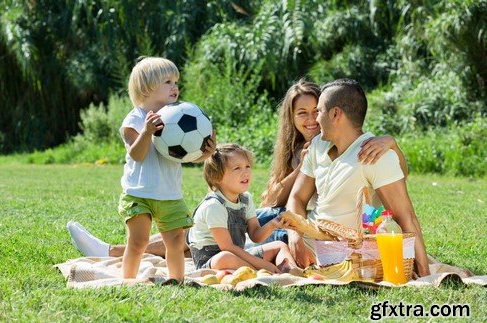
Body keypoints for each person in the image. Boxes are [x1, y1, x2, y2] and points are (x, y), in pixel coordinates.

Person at [68, 79, 406, 257]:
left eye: (314, 110)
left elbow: (393, 175)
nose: (309, 119)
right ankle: (119, 250)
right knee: (212, 222)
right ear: (292, 118)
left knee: (209, 230)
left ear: (331, 111)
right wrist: (300, 167)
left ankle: (115, 251)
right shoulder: (300, 150)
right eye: (301, 113)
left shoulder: (348, 143)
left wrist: (391, 141)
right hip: (281, 219)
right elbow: (272, 196)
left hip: (320, 230)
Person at [284, 78, 430, 277]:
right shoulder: (318, 144)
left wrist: (425, 274)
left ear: (335, 114)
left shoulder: (375, 154)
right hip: (302, 239)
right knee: (253, 233)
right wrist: (295, 237)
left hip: (347, 255)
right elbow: (296, 198)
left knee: (249, 247)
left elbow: (406, 217)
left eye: (319, 112)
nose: (316, 120)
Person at [115, 56, 214, 281]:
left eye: (176, 82)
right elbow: (137, 155)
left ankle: (176, 280)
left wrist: (206, 152)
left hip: (169, 195)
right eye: (168, 81)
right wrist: (147, 132)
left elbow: (186, 156)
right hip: (138, 193)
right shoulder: (135, 119)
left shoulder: (178, 115)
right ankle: (128, 280)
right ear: (146, 87)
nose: (175, 87)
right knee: (138, 241)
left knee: (176, 243)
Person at [187, 143, 297, 272]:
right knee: (225, 257)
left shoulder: (245, 199)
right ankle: (264, 272)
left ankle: (292, 272)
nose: (245, 172)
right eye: (237, 168)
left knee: (280, 246)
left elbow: (256, 236)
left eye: (247, 166)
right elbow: (227, 247)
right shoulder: (214, 206)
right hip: (212, 259)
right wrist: (263, 265)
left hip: (238, 255)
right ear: (217, 177)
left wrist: (273, 224)